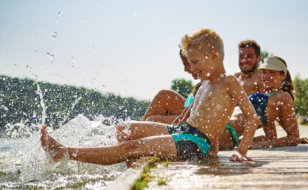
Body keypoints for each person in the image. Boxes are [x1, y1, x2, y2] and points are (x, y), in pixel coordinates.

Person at [40, 28, 262, 165]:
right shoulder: (204, 83)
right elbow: (202, 115)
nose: (192, 68)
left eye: (195, 62)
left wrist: (241, 152)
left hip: (193, 142)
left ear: (214, 56)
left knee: (132, 147)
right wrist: (213, 152)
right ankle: (110, 158)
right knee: (125, 129)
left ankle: (65, 152)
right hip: (181, 132)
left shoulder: (229, 82)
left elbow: (252, 118)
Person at [232, 56, 308, 149]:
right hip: (226, 135)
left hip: (224, 133)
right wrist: (246, 142)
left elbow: (293, 137)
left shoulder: (283, 97)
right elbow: (271, 138)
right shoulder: (266, 97)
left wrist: (259, 145)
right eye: (264, 72)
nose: (266, 77)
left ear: (283, 76)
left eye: (271, 73)